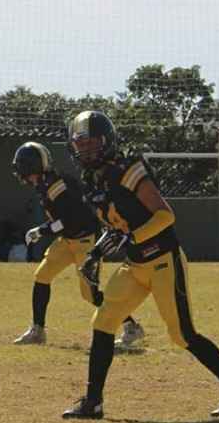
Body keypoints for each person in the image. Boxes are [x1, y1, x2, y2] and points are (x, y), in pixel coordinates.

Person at [62, 110, 219, 420]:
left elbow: (165, 216)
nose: (86, 150)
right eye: (80, 144)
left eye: (92, 143)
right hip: (135, 264)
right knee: (104, 321)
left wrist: (131, 237)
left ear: (108, 141)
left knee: (181, 334)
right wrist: (95, 255)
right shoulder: (93, 180)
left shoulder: (129, 169)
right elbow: (116, 227)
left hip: (163, 260)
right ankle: (92, 402)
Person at [10, 141, 143, 346]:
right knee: (42, 276)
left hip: (83, 240)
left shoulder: (56, 185)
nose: (22, 175)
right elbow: (62, 218)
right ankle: (37, 330)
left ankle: (132, 327)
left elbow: (68, 220)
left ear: (31, 167)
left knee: (89, 294)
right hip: (68, 239)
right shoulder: (46, 183)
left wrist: (42, 230)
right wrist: (44, 229)